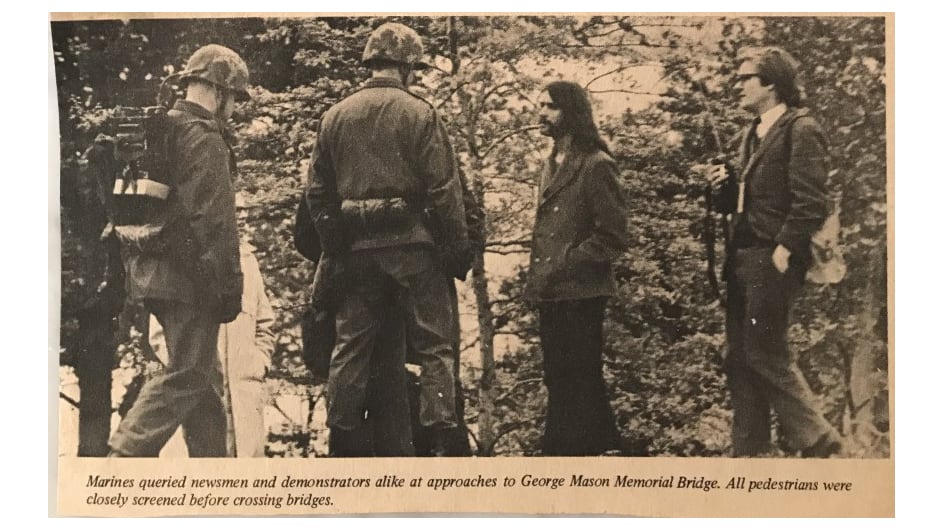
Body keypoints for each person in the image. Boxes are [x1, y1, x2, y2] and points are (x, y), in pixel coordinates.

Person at [306, 22, 471, 457]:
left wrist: (336, 244)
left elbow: (317, 193)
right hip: (414, 251)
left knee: (350, 345)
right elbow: (444, 191)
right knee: (436, 345)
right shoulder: (421, 114)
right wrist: (457, 253)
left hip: (358, 252)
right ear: (408, 66)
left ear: (372, 62)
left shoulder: (334, 116)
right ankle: (440, 440)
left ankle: (341, 439)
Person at [107, 44, 250, 457]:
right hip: (187, 280)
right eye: (235, 97)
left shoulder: (161, 128)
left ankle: (214, 474)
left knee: (204, 382)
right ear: (218, 91)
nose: (235, 108)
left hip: (148, 272)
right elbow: (214, 221)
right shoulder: (203, 137)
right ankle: (124, 455)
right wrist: (227, 289)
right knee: (187, 374)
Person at [708, 47, 843, 458]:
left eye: (746, 78)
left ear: (770, 83)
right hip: (744, 256)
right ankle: (749, 452)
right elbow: (750, 202)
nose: (738, 86)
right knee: (738, 356)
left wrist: (785, 248)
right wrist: (726, 187)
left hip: (772, 256)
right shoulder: (754, 132)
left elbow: (811, 201)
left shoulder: (801, 129)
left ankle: (820, 440)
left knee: (763, 350)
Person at [524, 81, 629, 456]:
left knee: (580, 376)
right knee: (558, 377)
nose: (541, 113)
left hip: (582, 292)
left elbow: (615, 236)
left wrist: (568, 262)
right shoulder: (548, 164)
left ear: (570, 113)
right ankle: (588, 451)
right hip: (552, 292)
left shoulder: (597, 165)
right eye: (541, 105)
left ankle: (579, 454)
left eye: (550, 106)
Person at [154, 233, 275, 458]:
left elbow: (265, 323)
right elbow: (159, 332)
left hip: (244, 393)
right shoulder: (181, 258)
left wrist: (259, 363)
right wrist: (185, 366)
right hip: (198, 391)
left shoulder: (248, 261)